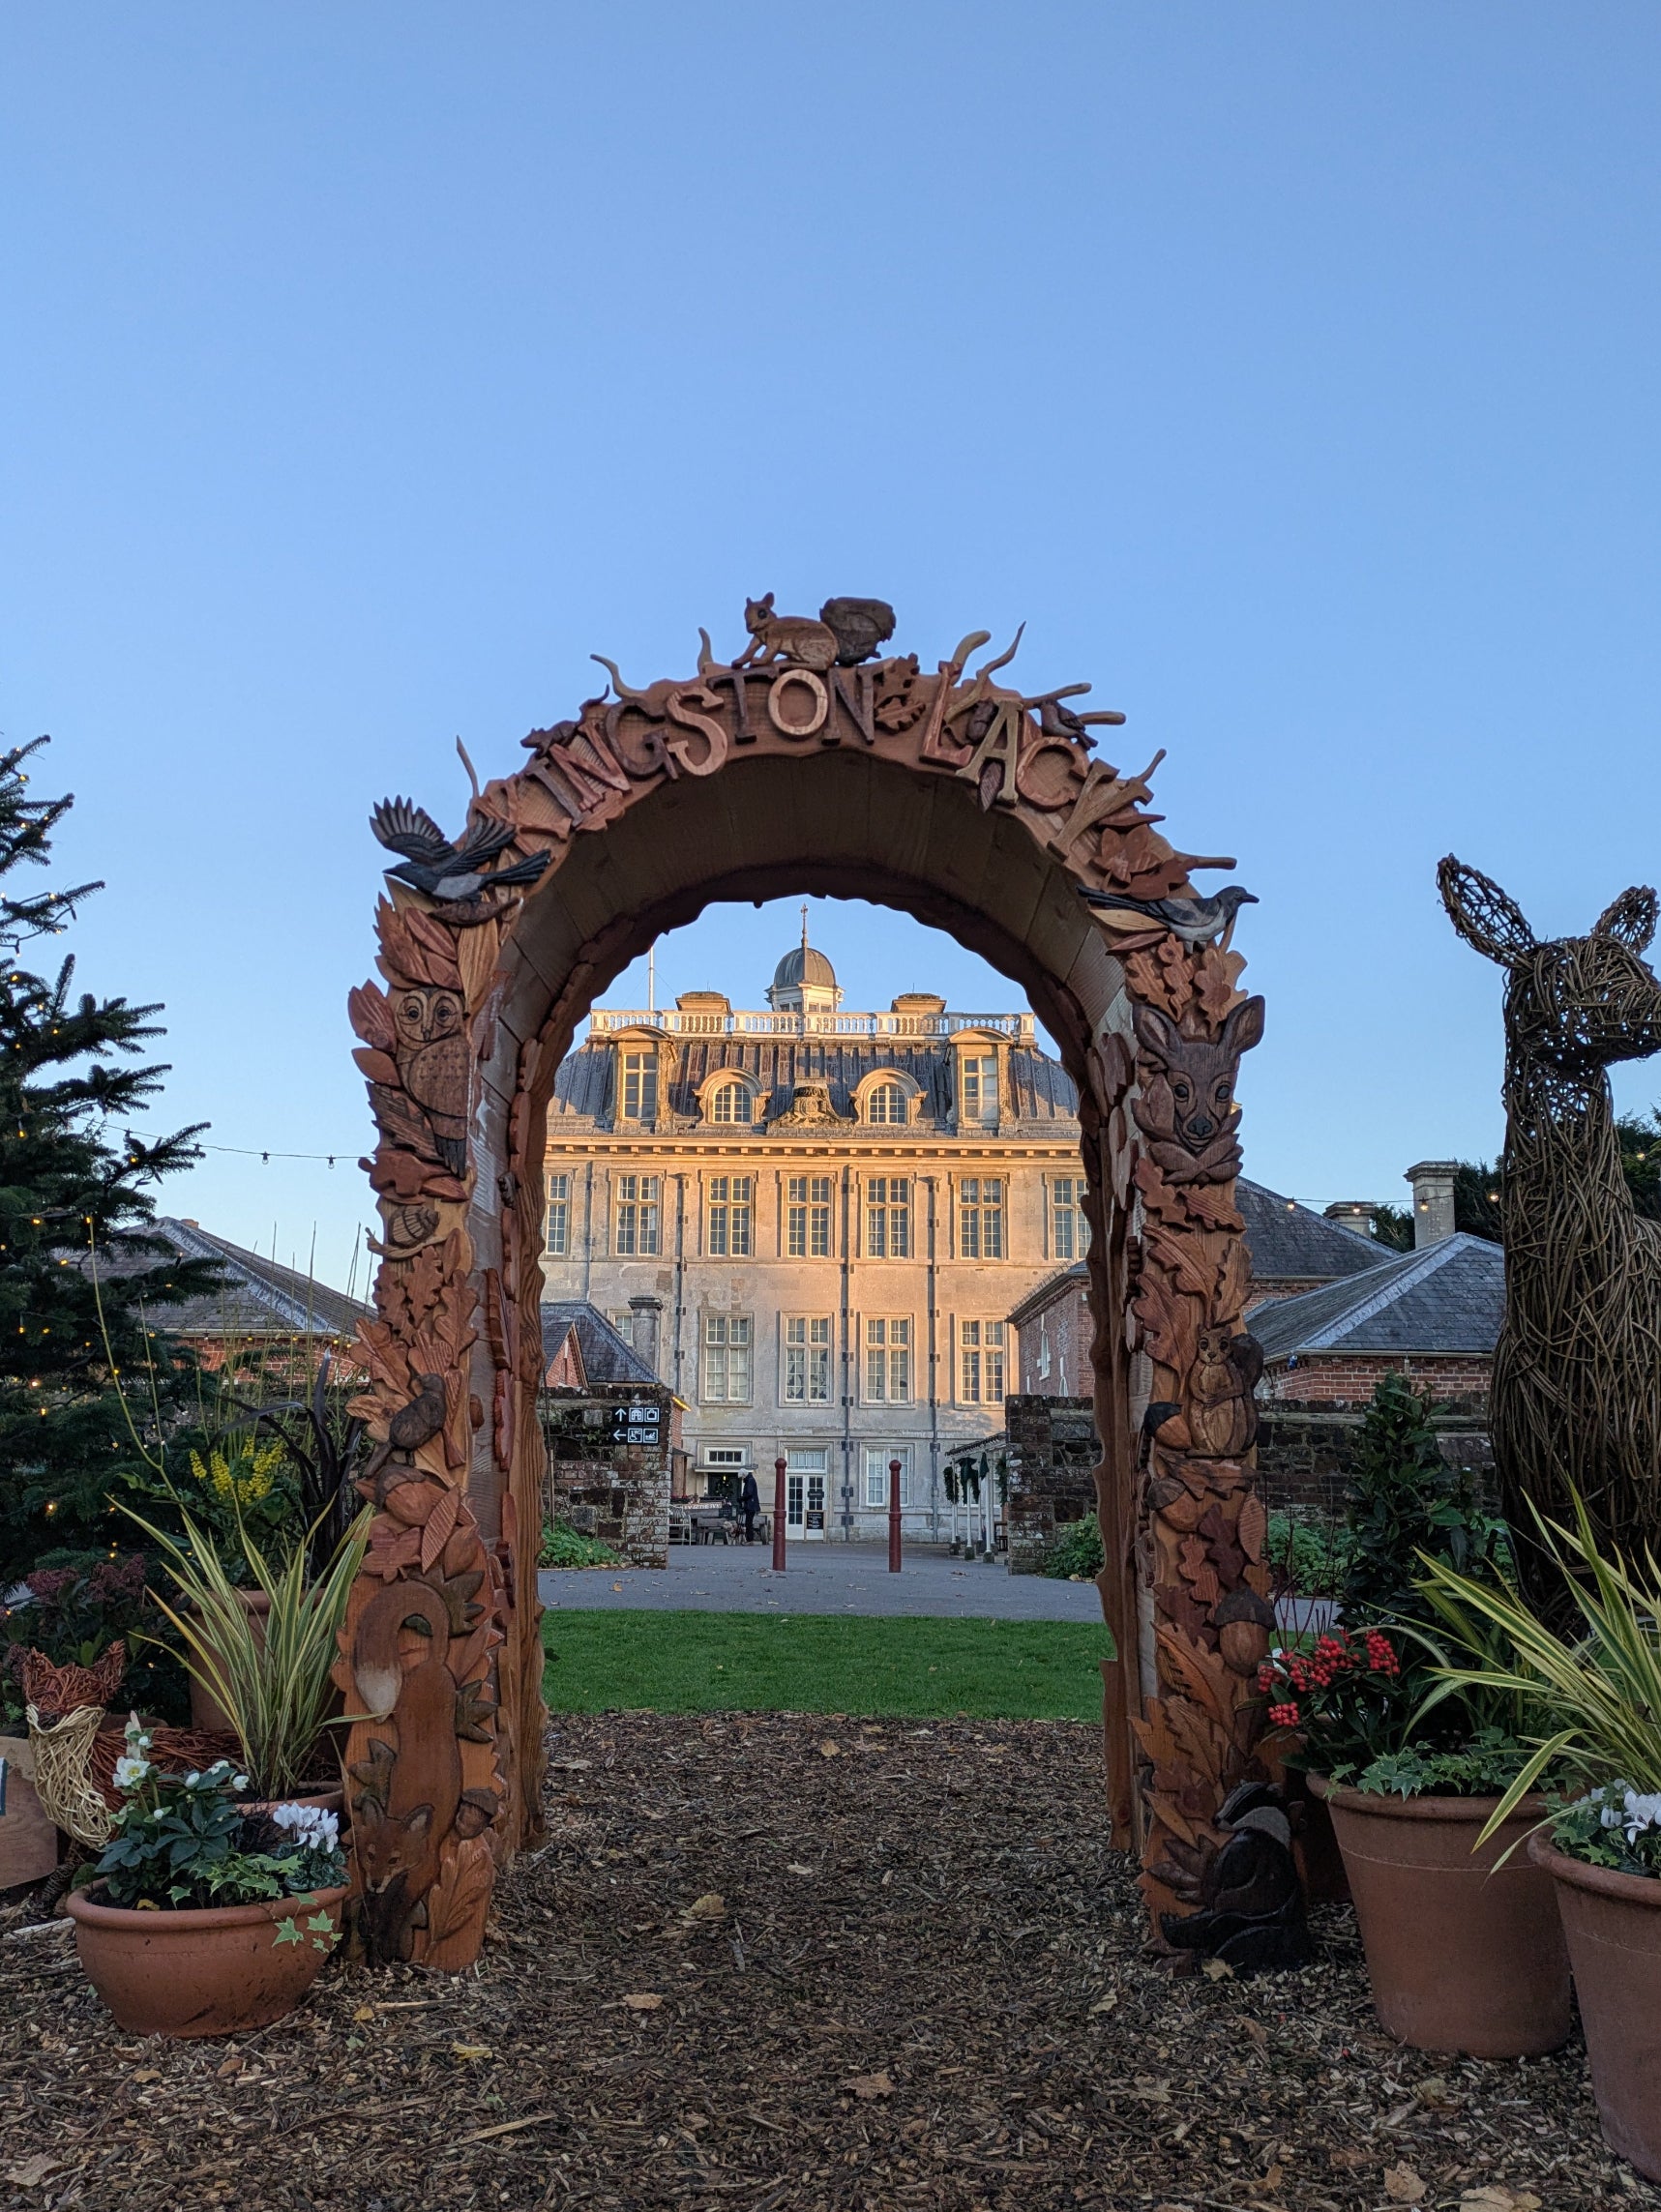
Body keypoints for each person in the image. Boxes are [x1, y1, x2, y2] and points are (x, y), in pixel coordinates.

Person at [740, 1467, 761, 1545]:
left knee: (748, 1523)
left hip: (750, 1505)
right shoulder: (750, 1480)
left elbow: (749, 1493)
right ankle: (749, 1539)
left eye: (742, 1477)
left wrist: (742, 1498)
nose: (742, 1479)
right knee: (748, 1523)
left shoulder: (750, 1481)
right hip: (751, 1505)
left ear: (744, 1475)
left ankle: (750, 1540)